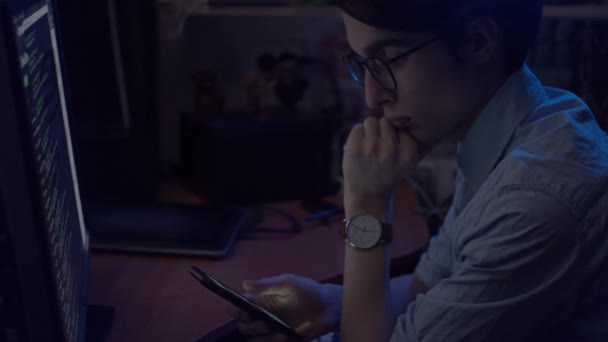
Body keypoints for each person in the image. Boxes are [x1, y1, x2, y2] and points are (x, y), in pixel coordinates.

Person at [229, 0, 608, 341]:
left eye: (388, 60)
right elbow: (429, 287)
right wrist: (332, 303)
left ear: (478, 42)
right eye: (363, 65)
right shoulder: (517, 124)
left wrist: (367, 206)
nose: (373, 98)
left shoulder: (534, 201)